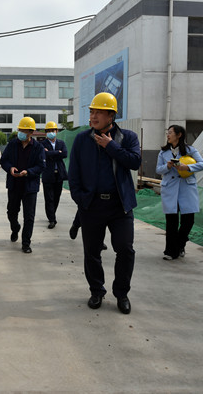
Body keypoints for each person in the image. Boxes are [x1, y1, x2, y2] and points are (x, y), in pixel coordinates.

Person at [68, 92, 141, 315]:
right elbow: (74, 172)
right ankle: (96, 291)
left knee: (125, 249)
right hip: (92, 205)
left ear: (111, 116)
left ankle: (122, 293)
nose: (93, 116)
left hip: (120, 206)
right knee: (92, 252)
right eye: (91, 112)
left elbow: (135, 162)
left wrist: (111, 146)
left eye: (98, 112)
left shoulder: (127, 138)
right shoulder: (82, 140)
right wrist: (80, 199)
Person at [156, 125, 203, 260]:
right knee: (171, 222)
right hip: (170, 189)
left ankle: (180, 244)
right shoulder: (163, 152)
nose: (168, 135)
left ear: (179, 135)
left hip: (186, 189)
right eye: (167, 132)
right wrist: (167, 166)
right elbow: (158, 169)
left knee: (188, 221)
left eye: (170, 133)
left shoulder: (190, 150)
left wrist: (188, 167)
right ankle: (170, 251)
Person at [0, 117, 46, 254]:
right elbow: (4, 160)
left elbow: (41, 166)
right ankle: (15, 228)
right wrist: (10, 168)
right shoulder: (12, 144)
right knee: (11, 212)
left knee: (29, 216)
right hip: (14, 185)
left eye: (24, 131)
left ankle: (26, 243)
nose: (21, 133)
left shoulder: (38, 147)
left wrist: (28, 172)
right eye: (20, 130)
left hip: (29, 187)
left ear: (31, 132)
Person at [40, 121, 68, 229]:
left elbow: (64, 154)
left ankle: (52, 214)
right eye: (48, 131)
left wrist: (51, 154)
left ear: (56, 131)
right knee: (49, 198)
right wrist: (57, 153)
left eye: (53, 130)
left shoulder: (61, 143)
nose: (51, 132)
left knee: (56, 197)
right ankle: (52, 219)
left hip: (59, 174)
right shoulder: (42, 144)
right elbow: (43, 154)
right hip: (48, 174)